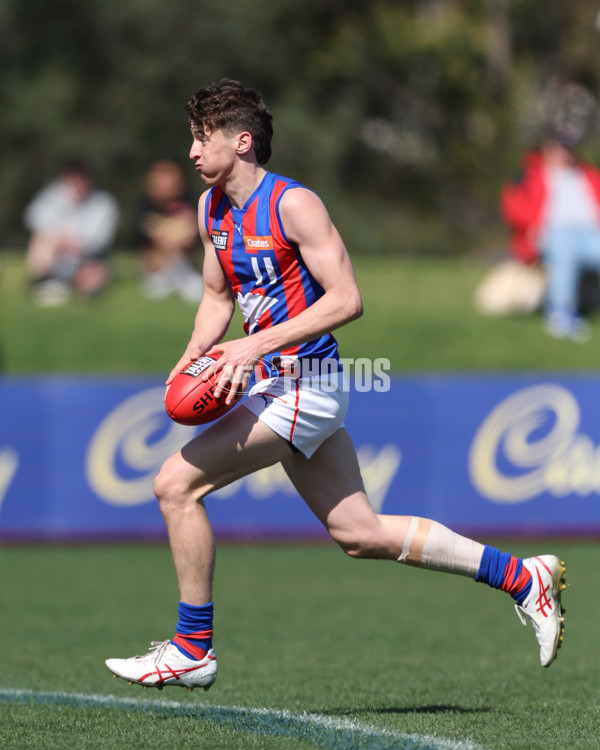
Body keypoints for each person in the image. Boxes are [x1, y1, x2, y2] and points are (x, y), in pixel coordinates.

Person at [105, 79, 567, 691]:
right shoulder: (210, 207)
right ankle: (524, 577)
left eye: (200, 137)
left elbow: (348, 300)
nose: (190, 151)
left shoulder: (295, 204)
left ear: (241, 142)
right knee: (361, 534)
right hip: (274, 384)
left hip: (309, 385)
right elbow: (217, 297)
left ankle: (193, 649)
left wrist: (254, 343)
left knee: (174, 486)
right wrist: (194, 353)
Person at [500, 129, 600, 340]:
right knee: (565, 248)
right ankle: (561, 311)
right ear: (548, 147)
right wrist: (531, 227)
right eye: (561, 147)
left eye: (570, 148)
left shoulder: (588, 174)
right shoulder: (531, 173)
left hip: (591, 233)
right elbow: (512, 207)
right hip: (551, 233)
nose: (566, 153)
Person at [23, 159, 120, 306]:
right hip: (57, 255)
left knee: (92, 282)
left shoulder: (103, 203)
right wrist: (58, 239)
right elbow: (33, 219)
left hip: (88, 257)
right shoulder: (53, 196)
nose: (78, 185)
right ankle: (45, 282)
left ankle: (68, 285)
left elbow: (98, 242)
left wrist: (71, 243)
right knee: (41, 242)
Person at [133, 159, 203, 303]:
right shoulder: (145, 208)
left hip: (185, 266)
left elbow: (196, 236)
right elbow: (141, 242)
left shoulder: (190, 205)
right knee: (156, 291)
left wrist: (186, 239)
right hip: (156, 269)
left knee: (196, 290)